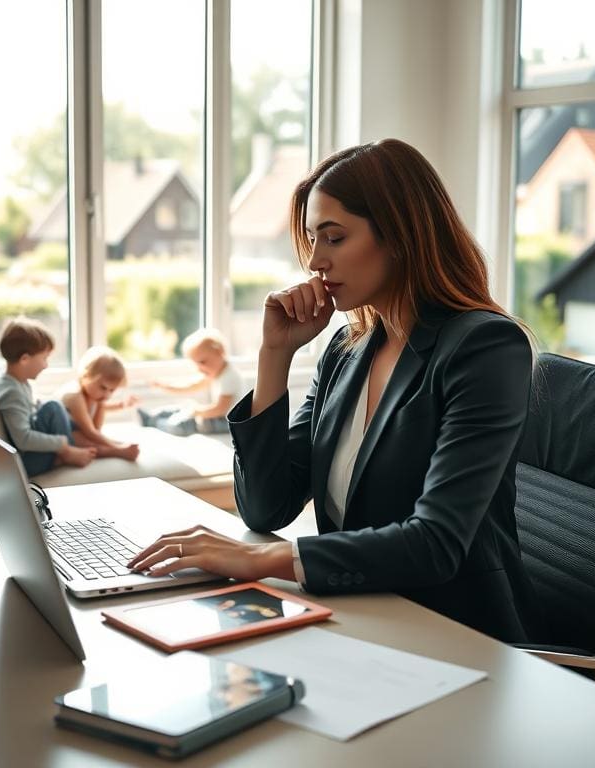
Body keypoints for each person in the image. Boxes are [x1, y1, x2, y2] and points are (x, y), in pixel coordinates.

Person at [127, 139, 544, 644]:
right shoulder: (348, 351)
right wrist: (274, 356)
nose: (316, 262)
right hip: (360, 616)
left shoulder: (485, 347)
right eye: (311, 240)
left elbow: (436, 543)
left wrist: (263, 557)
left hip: (456, 632)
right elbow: (265, 508)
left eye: (334, 238)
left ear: (400, 235)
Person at [0, 317, 96, 476]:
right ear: (25, 359)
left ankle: (89, 443)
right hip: (29, 462)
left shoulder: (16, 381)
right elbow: (23, 439)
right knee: (53, 407)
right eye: (44, 358)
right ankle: (69, 453)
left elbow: (28, 411)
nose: (46, 365)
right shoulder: (11, 392)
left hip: (32, 454)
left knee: (56, 408)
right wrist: (62, 444)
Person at [139, 328, 243, 436]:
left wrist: (198, 411)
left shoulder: (230, 377)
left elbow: (220, 409)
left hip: (226, 422)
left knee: (187, 425)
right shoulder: (215, 372)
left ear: (219, 352)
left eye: (202, 362)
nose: (199, 368)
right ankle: (152, 416)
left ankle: (156, 422)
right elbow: (191, 386)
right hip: (217, 415)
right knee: (185, 408)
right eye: (196, 364)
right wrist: (165, 386)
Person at [61, 346, 140, 461]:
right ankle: (117, 451)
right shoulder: (75, 395)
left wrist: (121, 405)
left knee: (101, 404)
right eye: (103, 388)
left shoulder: (94, 395)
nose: (107, 395)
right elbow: (90, 432)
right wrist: (116, 446)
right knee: (84, 441)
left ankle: (119, 447)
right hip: (61, 435)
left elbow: (95, 426)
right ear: (86, 376)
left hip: (82, 431)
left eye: (112, 390)